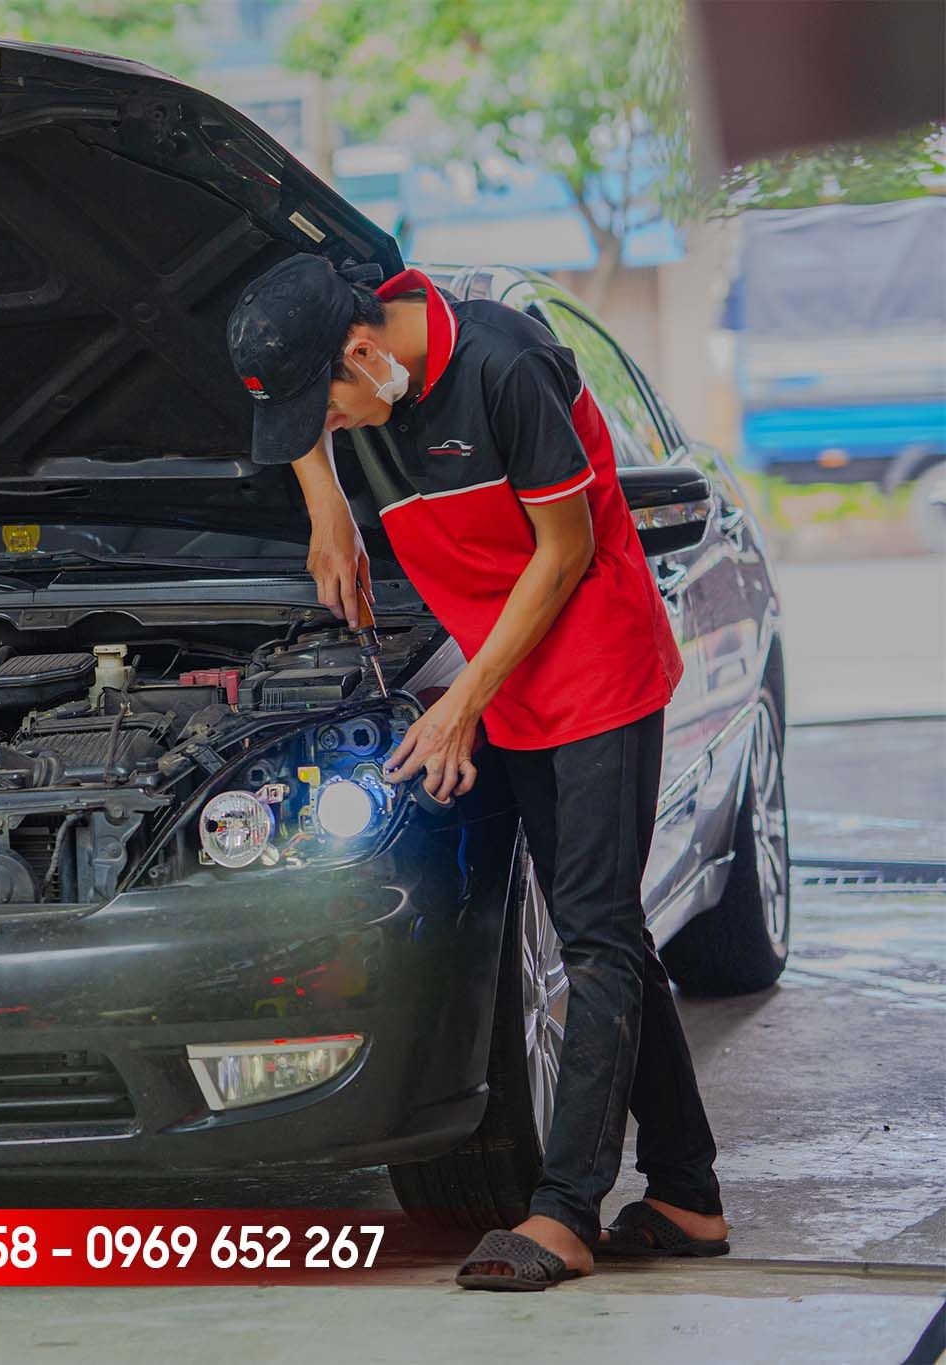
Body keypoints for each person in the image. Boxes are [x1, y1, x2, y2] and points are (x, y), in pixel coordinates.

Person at [226, 257, 729, 1289]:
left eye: (327, 409)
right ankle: (686, 1194)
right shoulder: (363, 361)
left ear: (362, 351)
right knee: (605, 928)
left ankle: (565, 1210)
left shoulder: (507, 365)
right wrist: (325, 502)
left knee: (594, 938)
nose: (329, 428)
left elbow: (563, 551)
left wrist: (461, 703)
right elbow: (310, 420)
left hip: (593, 666)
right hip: (505, 672)